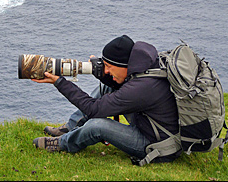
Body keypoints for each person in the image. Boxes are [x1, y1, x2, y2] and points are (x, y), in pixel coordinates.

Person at [31, 35, 180, 164]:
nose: (107, 71)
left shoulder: (142, 88)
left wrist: (60, 82)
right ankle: (71, 126)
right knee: (107, 88)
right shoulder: (146, 63)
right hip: (151, 123)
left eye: (109, 66)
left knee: (98, 125)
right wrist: (101, 75)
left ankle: (62, 143)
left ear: (123, 65)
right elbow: (121, 85)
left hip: (157, 145)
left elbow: (94, 110)